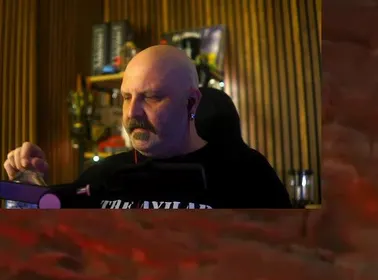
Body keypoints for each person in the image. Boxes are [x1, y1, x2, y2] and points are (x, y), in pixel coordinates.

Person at [2, 44, 291, 209]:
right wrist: (26, 186)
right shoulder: (106, 174)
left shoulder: (247, 173)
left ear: (191, 102)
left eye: (151, 97)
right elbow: (45, 231)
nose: (132, 113)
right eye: (127, 97)